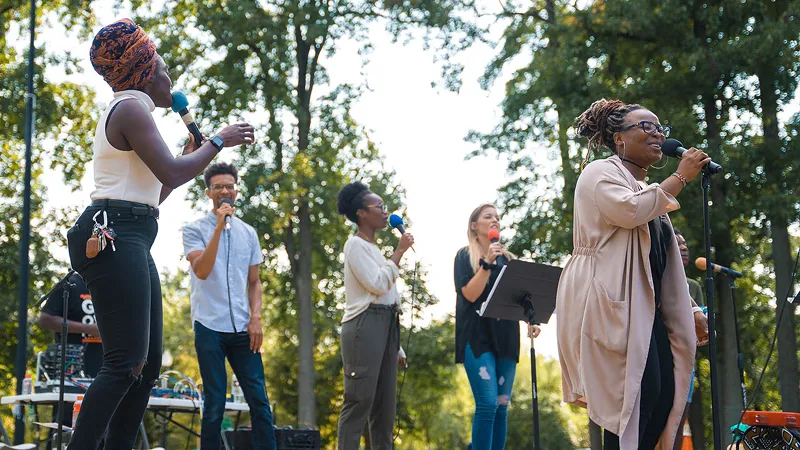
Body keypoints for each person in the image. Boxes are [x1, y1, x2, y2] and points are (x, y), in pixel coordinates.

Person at [65, 18, 254, 449]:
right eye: (164, 68)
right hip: (117, 235)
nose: (170, 79)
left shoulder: (134, 111)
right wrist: (217, 143)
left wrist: (195, 156)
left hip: (133, 232)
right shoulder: (129, 108)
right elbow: (170, 170)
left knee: (146, 368)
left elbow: (156, 190)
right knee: (123, 361)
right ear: (146, 70)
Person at [556, 99, 710, 450]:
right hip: (610, 304)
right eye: (646, 126)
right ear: (619, 138)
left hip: (645, 307)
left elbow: (654, 269)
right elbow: (629, 212)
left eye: (660, 128)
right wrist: (682, 176)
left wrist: (692, 309)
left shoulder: (647, 191)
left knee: (664, 395)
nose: (658, 134)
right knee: (631, 404)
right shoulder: (600, 172)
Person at [183, 162, 276, 450]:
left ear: (236, 190)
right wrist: (219, 227)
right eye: (218, 186)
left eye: (229, 186)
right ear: (208, 192)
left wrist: (256, 317)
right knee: (214, 402)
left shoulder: (248, 233)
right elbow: (202, 270)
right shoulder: (194, 230)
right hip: (209, 325)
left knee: (259, 401)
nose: (225, 190)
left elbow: (255, 282)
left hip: (243, 328)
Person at [454, 204, 540, 450]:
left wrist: (530, 319)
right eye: (488, 216)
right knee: (488, 404)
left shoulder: (509, 260)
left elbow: (518, 298)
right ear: (474, 226)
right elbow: (469, 295)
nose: (495, 221)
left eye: (498, 217)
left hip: (506, 338)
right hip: (477, 339)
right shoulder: (464, 257)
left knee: (502, 406)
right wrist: (486, 264)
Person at [335, 182, 413, 450]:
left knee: (384, 408)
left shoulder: (374, 249)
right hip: (364, 326)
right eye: (379, 207)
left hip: (386, 326)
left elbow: (387, 295)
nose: (385, 212)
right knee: (359, 402)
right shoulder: (354, 245)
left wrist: (395, 346)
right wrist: (399, 252)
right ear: (361, 213)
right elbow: (377, 285)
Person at [672, 229, 708, 450]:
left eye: (685, 244)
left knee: (678, 425)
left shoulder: (693, 285)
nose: (684, 248)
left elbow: (700, 330)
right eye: (678, 244)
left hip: (685, 361)